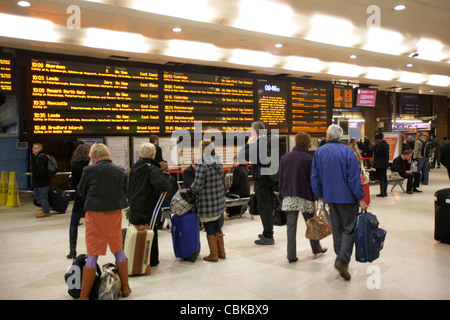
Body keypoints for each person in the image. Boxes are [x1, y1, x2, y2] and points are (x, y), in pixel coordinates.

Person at [311, 124, 368, 280]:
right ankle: (342, 259)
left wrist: (320, 195)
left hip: (331, 198)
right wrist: (360, 198)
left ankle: (340, 257)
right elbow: (354, 178)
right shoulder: (348, 152)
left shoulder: (319, 152)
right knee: (349, 229)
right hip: (348, 198)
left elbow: (315, 176)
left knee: (337, 228)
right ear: (340, 137)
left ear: (328, 136)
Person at [76, 143, 130, 300]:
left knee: (93, 254)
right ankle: (125, 288)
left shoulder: (89, 170)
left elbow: (80, 191)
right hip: (114, 214)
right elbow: (125, 191)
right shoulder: (120, 170)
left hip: (94, 215)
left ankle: (84, 296)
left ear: (93, 156)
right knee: (118, 250)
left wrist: (89, 166)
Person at [279, 132, 327, 263]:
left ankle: (291, 255)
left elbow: (281, 179)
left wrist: (281, 194)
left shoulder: (285, 158)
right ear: (307, 144)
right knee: (312, 224)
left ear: (295, 142)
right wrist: (318, 196)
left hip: (289, 196)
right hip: (305, 196)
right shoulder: (309, 159)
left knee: (291, 227)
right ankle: (316, 248)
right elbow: (313, 180)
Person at [128, 143, 175, 267]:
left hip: (135, 205)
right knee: (151, 231)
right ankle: (152, 260)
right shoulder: (152, 168)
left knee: (137, 231)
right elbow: (163, 185)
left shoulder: (134, 168)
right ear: (153, 155)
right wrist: (166, 186)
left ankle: (136, 257)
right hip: (149, 207)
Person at [237, 121, 277, 245]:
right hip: (271, 178)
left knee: (264, 207)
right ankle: (268, 231)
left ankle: (268, 236)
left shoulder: (258, 144)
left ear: (254, 132)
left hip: (261, 180)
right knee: (268, 205)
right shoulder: (271, 141)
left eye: (251, 131)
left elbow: (241, 156)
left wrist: (248, 143)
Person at [190, 140, 226, 262]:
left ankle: (214, 254)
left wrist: (191, 188)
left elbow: (198, 185)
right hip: (218, 199)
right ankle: (222, 252)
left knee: (209, 225)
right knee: (217, 225)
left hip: (207, 201)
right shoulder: (218, 161)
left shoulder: (202, 164)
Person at [67, 143, 90, 259]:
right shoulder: (91, 165)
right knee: (92, 225)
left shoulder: (74, 166)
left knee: (73, 224)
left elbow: (74, 184)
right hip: (90, 198)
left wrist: (70, 181)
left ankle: (72, 251)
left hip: (79, 198)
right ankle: (91, 250)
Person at [31, 143, 52, 218]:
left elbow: (42, 170)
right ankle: (46, 206)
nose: (32, 149)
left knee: (42, 196)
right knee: (36, 194)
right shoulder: (38, 157)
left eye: (34, 148)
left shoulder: (41, 157)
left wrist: (36, 174)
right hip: (38, 181)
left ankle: (46, 211)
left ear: (39, 149)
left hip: (41, 181)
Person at [372, 132, 390, 197]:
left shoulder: (381, 145)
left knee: (381, 178)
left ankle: (382, 192)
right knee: (384, 177)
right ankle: (384, 192)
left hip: (380, 164)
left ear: (378, 139)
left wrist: (374, 146)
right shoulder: (386, 144)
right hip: (384, 163)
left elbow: (376, 153)